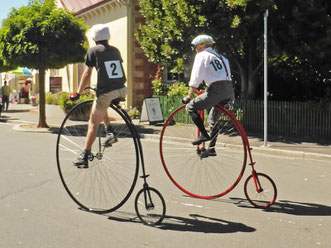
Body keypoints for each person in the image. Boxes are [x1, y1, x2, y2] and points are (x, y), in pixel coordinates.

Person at [70, 24, 128, 168]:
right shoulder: (115, 50)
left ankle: (85, 155)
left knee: (93, 123)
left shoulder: (93, 51)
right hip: (122, 89)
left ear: (94, 37)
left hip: (107, 92)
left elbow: (86, 74)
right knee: (101, 102)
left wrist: (78, 92)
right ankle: (109, 131)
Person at [182, 35, 235, 155]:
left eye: (195, 47)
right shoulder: (222, 57)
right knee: (213, 119)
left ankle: (203, 135)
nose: (195, 50)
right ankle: (211, 149)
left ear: (201, 46)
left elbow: (196, 76)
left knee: (190, 107)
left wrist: (190, 95)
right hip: (229, 90)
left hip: (216, 90)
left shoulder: (202, 56)